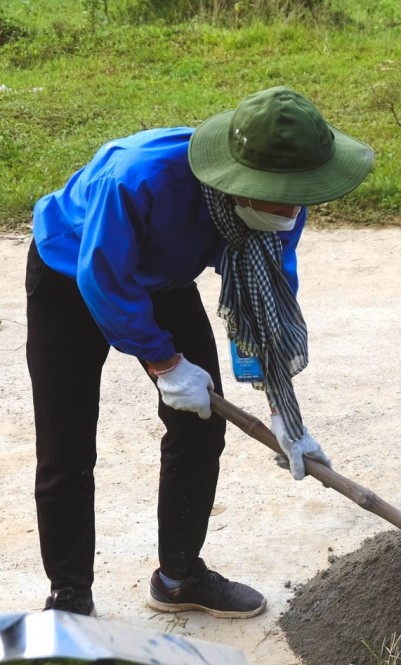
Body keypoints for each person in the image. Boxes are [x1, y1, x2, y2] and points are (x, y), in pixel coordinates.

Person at [27, 86, 374, 619]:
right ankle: (69, 593)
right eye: (282, 196)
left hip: (162, 278)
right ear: (242, 181)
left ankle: (178, 576)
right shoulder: (138, 179)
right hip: (70, 275)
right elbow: (103, 278)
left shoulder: (282, 204)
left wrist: (284, 408)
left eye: (301, 194)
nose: (294, 209)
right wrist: (163, 362)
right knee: (66, 444)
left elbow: (269, 299)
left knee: (202, 424)